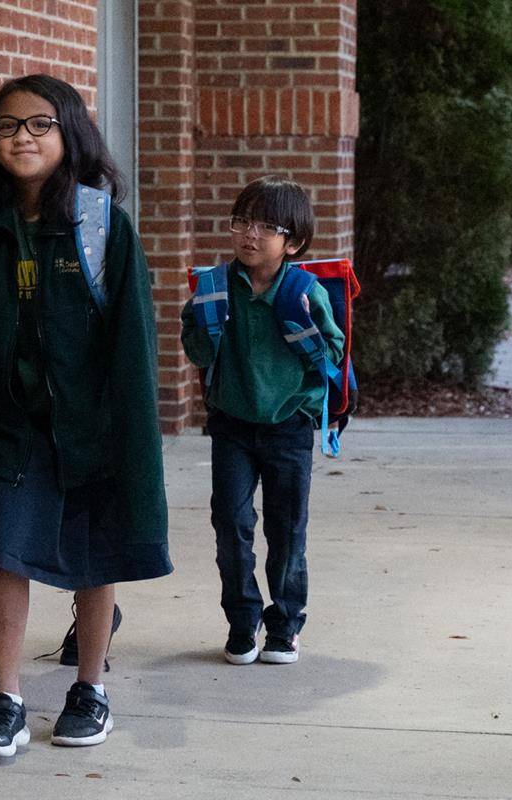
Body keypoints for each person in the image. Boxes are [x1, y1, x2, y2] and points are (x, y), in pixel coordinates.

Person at [0, 75, 171, 757]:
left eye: (40, 123)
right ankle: (7, 698)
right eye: (8, 125)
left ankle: (88, 689)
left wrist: (131, 436)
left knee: (92, 552)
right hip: (10, 422)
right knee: (3, 554)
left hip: (91, 421)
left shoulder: (101, 223)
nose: (22, 136)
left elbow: (132, 340)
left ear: (69, 134)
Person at [180, 176, 344, 666]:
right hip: (231, 424)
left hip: (288, 427)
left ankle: (286, 623)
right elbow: (194, 348)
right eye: (241, 221)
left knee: (287, 528)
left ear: (292, 241)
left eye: (265, 226)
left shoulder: (303, 292)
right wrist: (206, 329)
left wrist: (303, 344)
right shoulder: (214, 287)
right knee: (231, 522)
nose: (249, 234)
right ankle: (241, 619)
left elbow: (333, 354)